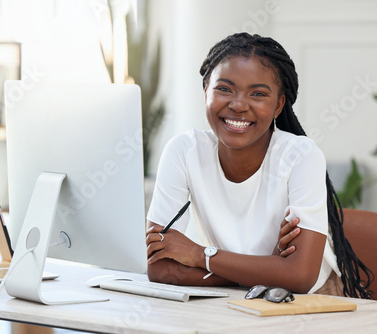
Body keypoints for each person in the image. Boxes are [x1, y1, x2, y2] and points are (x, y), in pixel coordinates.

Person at [145, 32, 373, 299]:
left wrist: (199, 254)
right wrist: (266, 270)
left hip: (316, 299)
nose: (238, 105)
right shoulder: (183, 151)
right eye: (224, 89)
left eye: (258, 94)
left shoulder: (301, 156)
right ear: (206, 90)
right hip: (239, 296)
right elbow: (159, 268)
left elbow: (300, 277)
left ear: (278, 105)